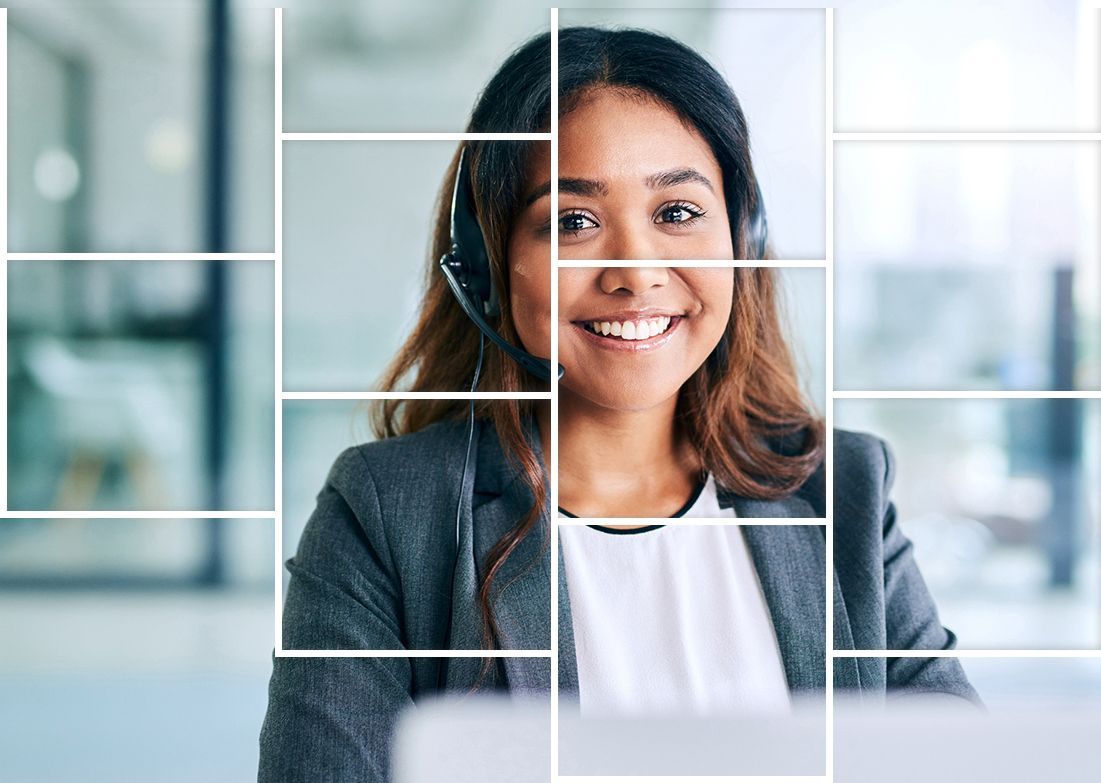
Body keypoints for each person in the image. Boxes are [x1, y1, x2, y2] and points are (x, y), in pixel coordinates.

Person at [259, 26, 979, 782]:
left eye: (676, 212)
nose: (635, 275)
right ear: (487, 268)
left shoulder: (840, 487)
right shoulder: (386, 514)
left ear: (742, 240)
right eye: (573, 222)